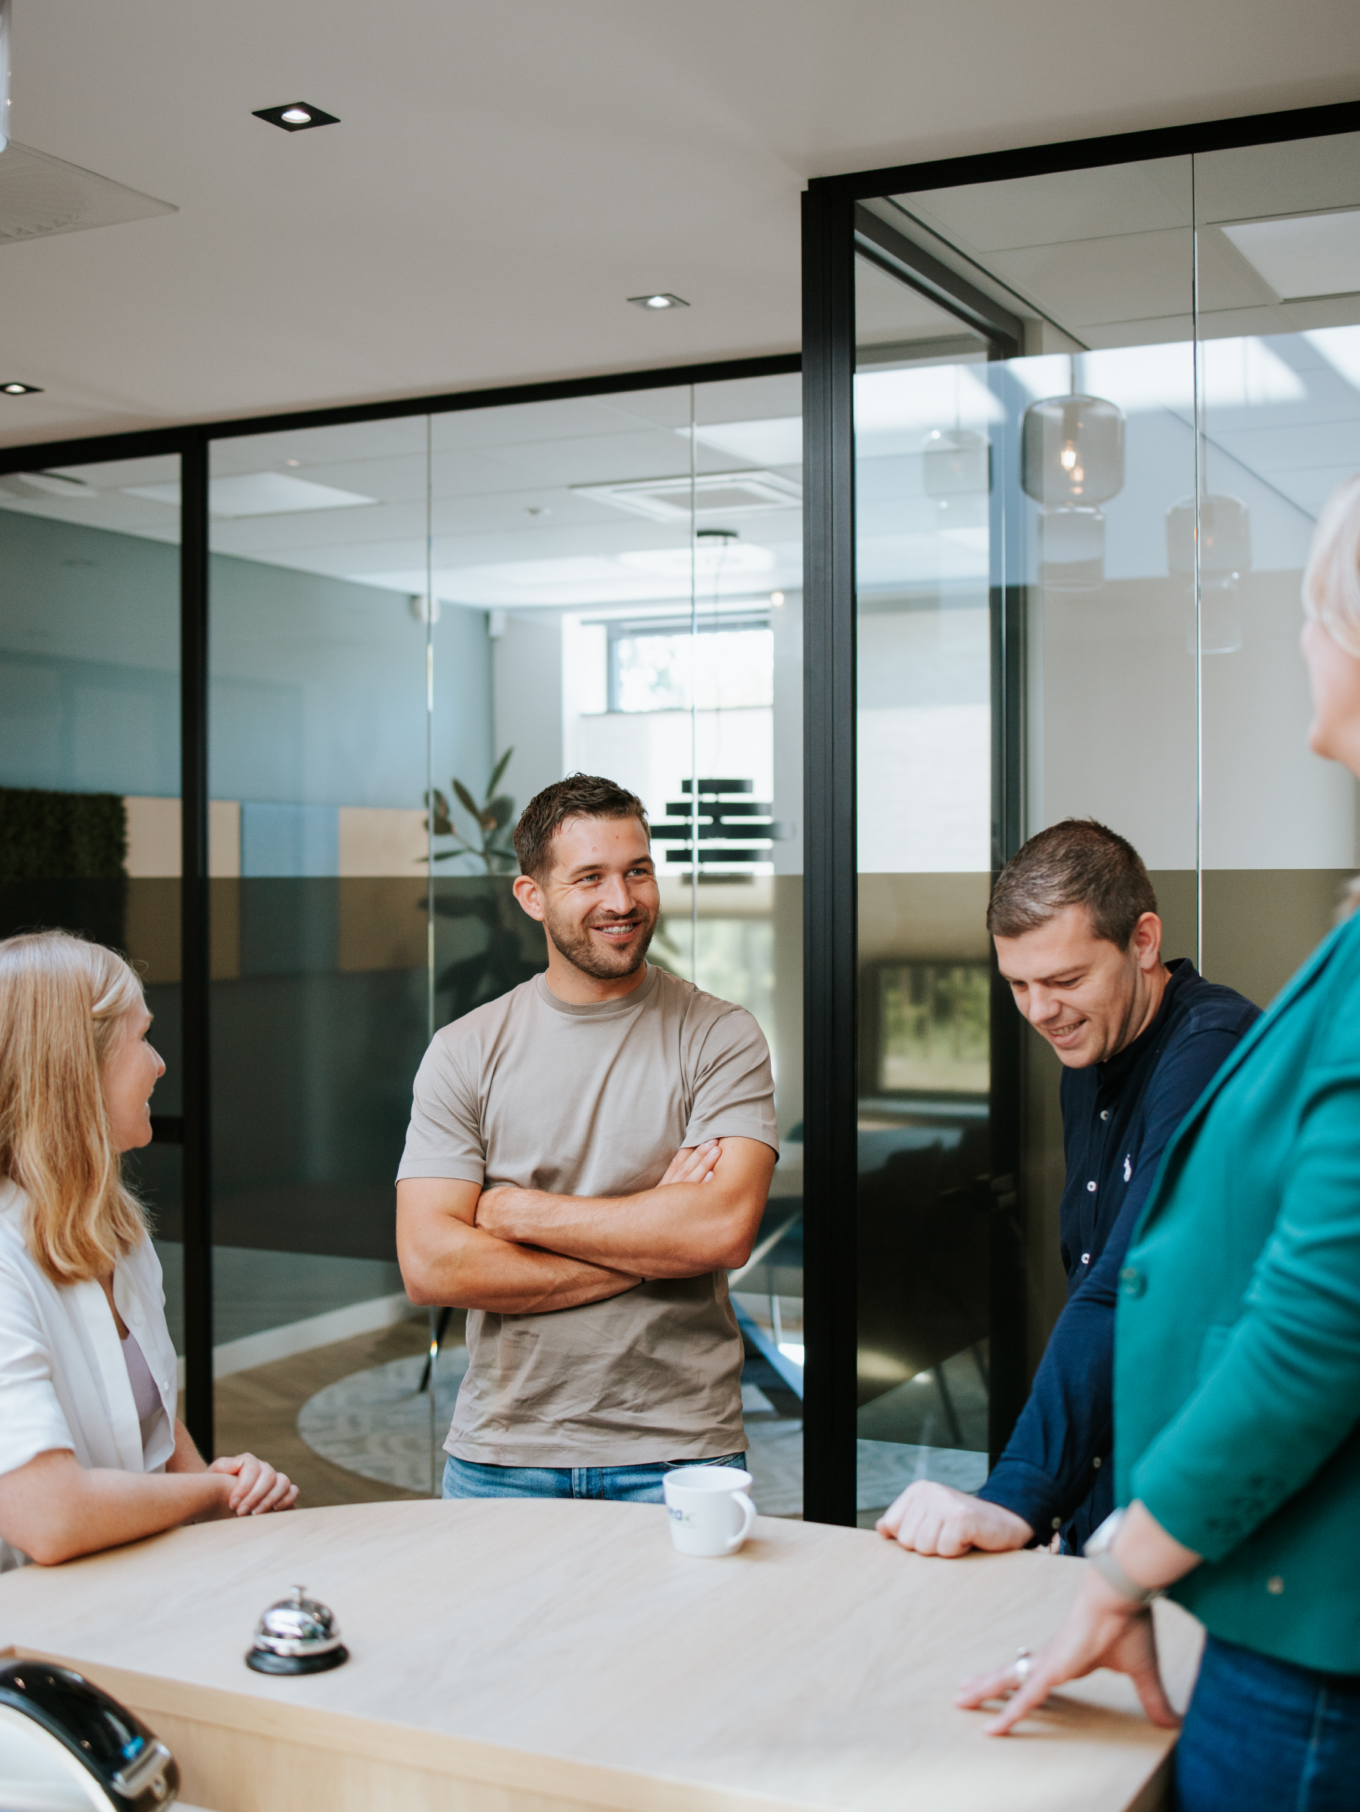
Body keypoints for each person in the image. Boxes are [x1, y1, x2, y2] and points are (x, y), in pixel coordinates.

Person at [957, 474, 1360, 1808]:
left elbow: (1310, 1321)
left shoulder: (1212, 1036)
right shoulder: (1107, 1055)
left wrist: (1104, 1545)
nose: (1300, 639)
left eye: (1312, 607)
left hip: (1297, 1610)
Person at [878, 821, 1258, 1559]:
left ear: (1142, 942)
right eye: (1018, 984)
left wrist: (1018, 1494)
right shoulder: (1091, 1052)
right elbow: (1086, 1270)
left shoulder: (1213, 1048)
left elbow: (1128, 1284)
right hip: (1117, 1478)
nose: (1039, 1011)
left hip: (1206, 1489)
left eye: (1065, 980)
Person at [396, 773, 778, 1502]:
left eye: (638, 871)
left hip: (680, 1455)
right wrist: (652, 1245)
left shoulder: (720, 1037)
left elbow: (721, 1231)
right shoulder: (465, 1050)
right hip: (503, 1456)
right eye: (590, 878)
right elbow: (432, 1265)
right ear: (532, 897)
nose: (622, 901)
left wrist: (518, 1214)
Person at [0, 931, 297, 1571]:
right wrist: (208, 1491)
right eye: (141, 1039)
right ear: (74, 1063)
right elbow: (47, 1515)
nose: (159, 1063)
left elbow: (157, 1437)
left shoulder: (118, 1233)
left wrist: (225, 1492)